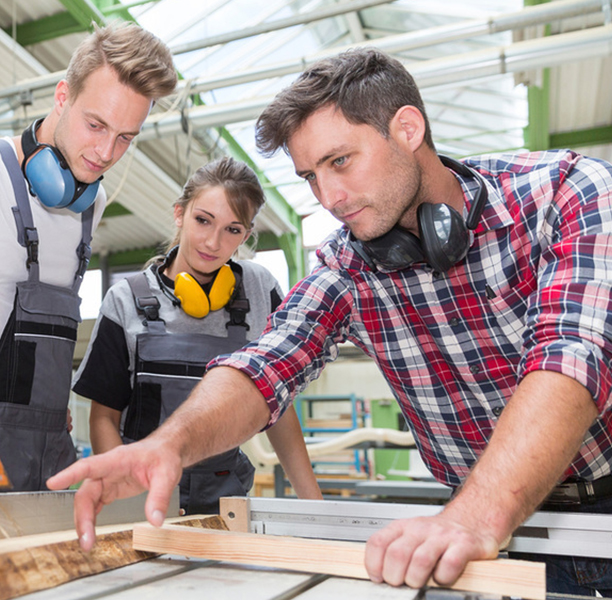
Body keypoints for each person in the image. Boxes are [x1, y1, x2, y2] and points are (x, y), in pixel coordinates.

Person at [47, 48, 612, 595]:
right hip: (498, 535)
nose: (329, 198)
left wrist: (473, 515)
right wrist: (168, 446)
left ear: (408, 129)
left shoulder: (566, 192)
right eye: (311, 177)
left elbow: (570, 358)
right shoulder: (349, 261)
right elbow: (263, 367)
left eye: (340, 161)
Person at [0, 22, 178, 492]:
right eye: (96, 125)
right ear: (62, 96)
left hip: (41, 457)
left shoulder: (92, 203)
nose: (106, 152)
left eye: (126, 137)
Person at [74, 156, 322, 515]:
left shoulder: (259, 291)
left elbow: (277, 407)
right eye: (203, 220)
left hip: (225, 497)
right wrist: (129, 496)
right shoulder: (126, 298)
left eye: (232, 230)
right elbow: (103, 417)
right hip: (142, 491)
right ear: (180, 214)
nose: (212, 242)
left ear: (247, 235)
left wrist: (316, 508)